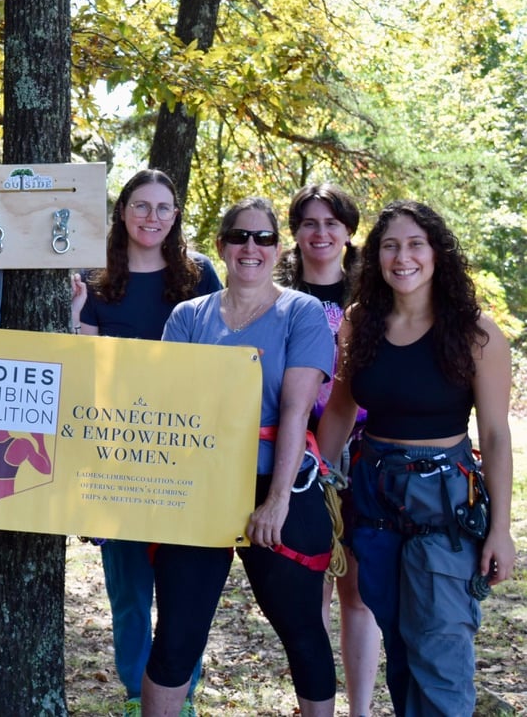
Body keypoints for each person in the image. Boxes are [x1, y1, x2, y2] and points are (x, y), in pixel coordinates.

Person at [316, 200, 514, 716]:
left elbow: (494, 435)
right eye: (389, 246)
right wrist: (314, 484)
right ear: (376, 257)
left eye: (414, 244)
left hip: (444, 505)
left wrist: (501, 531)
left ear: (437, 254)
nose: (402, 257)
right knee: (402, 647)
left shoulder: (478, 334)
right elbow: (339, 409)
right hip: (375, 500)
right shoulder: (361, 323)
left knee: (441, 652)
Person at [145, 197, 337, 717]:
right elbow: (168, 409)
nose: (251, 247)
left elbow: (296, 411)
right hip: (200, 491)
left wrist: (275, 502)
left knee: (301, 629)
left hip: (279, 485)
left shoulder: (303, 313)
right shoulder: (188, 317)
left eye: (264, 238)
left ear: (279, 247)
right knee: (176, 634)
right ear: (222, 246)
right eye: (239, 236)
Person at [70, 168, 221, 717]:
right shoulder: (95, 279)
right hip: (114, 451)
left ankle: (181, 696)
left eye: (162, 207)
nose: (151, 217)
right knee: (129, 590)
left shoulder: (200, 277)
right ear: (122, 212)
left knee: (183, 592)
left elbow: (220, 360)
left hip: (185, 451)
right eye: (140, 206)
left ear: (176, 216)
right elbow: (82, 366)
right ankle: (139, 696)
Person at [280, 183, 380, 717]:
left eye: (331, 223)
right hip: (297, 455)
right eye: (309, 223)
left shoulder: (375, 297)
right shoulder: (275, 299)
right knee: (309, 585)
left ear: (348, 232)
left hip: (364, 455)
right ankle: (316, 701)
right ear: (295, 233)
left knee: (358, 592)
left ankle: (360, 709)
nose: (320, 234)